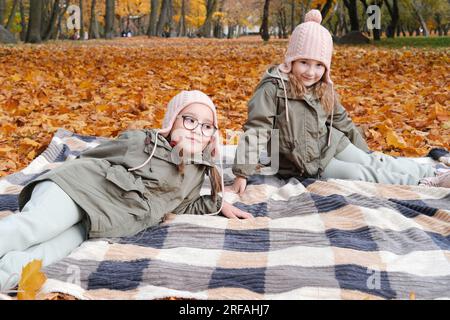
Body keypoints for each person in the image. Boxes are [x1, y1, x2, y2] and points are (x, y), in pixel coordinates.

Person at [0, 90, 252, 292]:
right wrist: (62, 178)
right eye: (190, 120)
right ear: (171, 122)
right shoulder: (143, 144)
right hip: (75, 188)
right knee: (35, 227)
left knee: (50, 252)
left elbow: (180, 203)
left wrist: (218, 205)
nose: (198, 129)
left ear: (212, 137)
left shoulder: (196, 173)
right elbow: (92, 155)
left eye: (207, 126)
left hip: (98, 220)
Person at [229, 9, 449, 195]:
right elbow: (257, 129)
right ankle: (423, 182)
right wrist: (242, 173)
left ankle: (433, 172)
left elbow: (341, 120)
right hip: (307, 164)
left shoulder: (323, 87)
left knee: (372, 162)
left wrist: (365, 152)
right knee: (361, 174)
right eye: (304, 62)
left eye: (319, 65)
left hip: (331, 143)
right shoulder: (273, 90)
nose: (311, 72)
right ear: (291, 60)